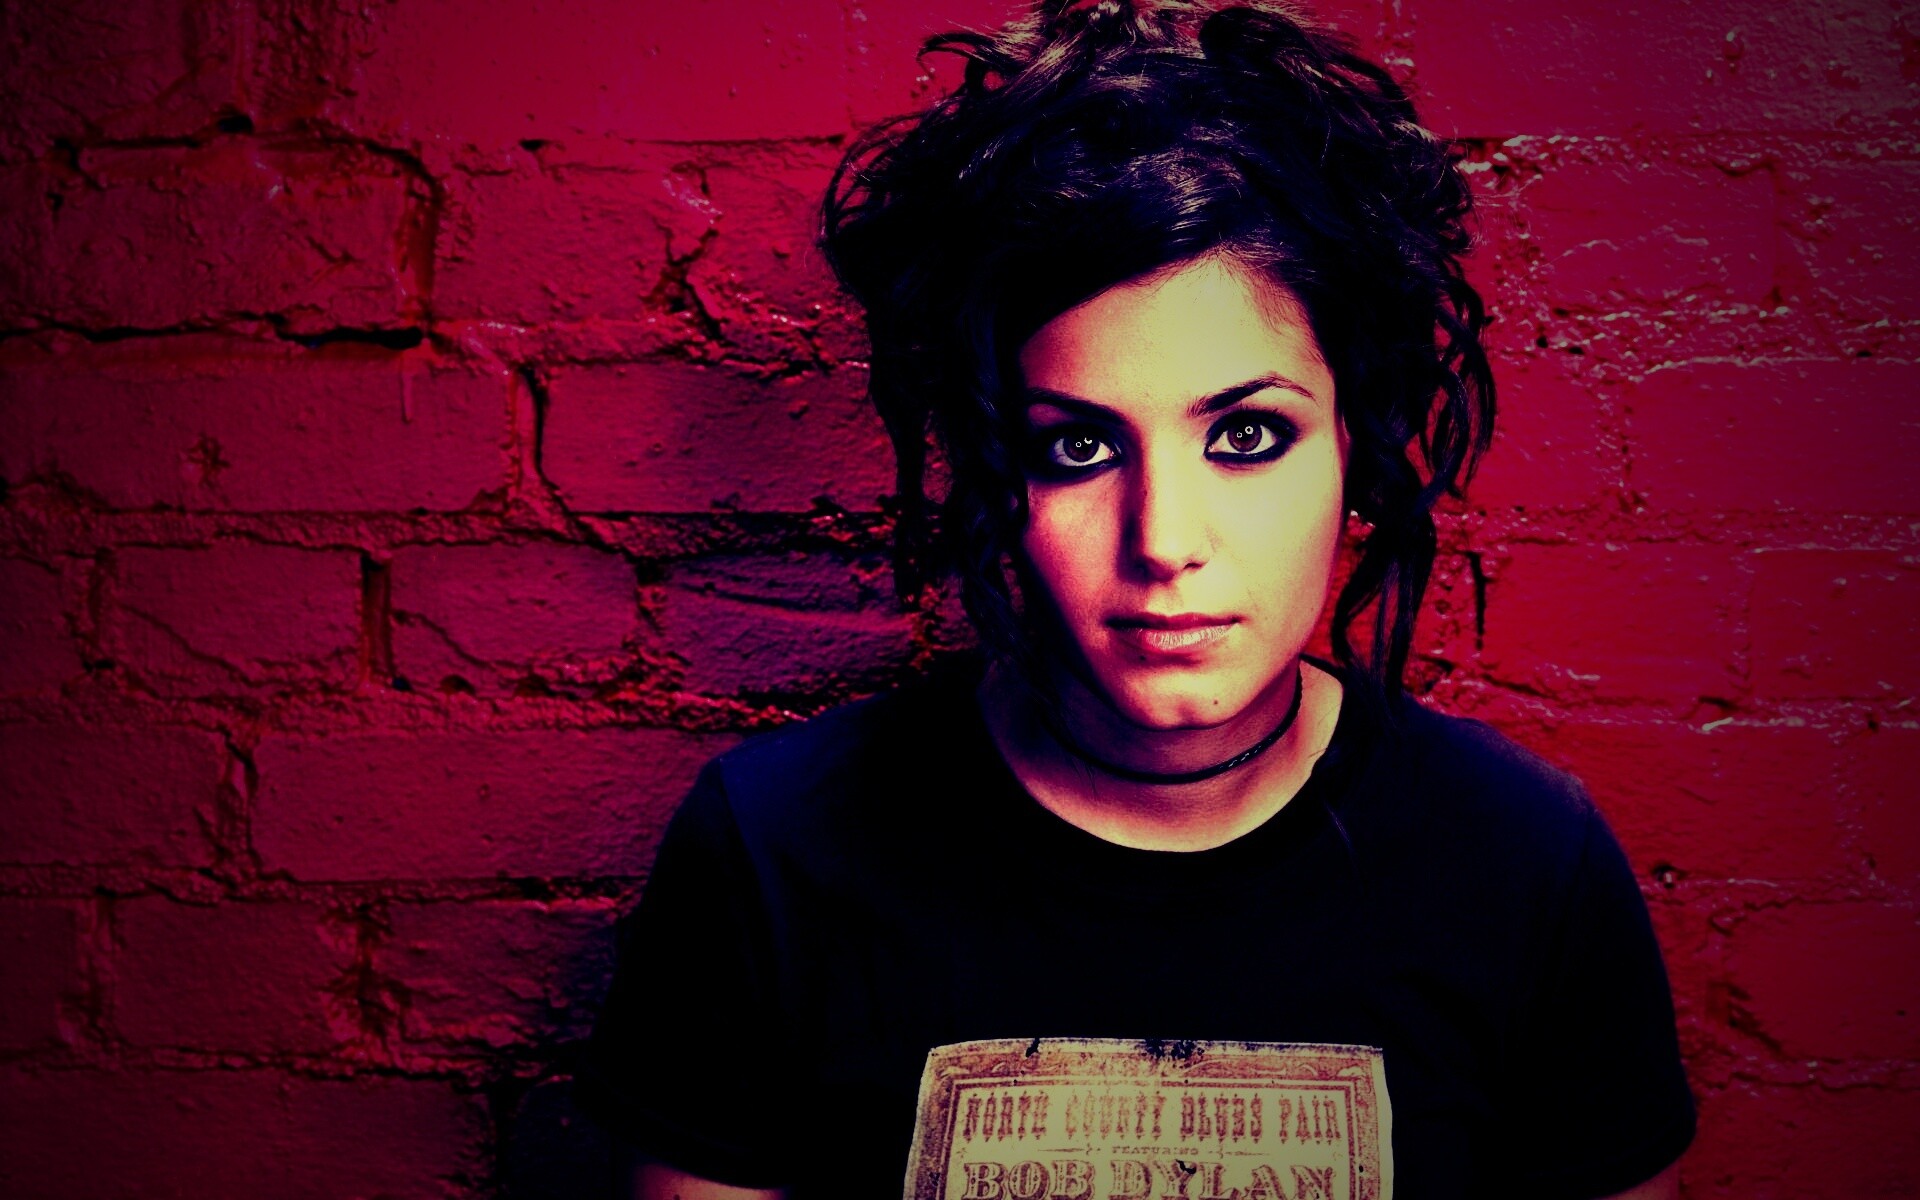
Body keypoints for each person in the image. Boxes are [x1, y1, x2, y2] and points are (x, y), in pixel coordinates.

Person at [576, 1, 1695, 1196]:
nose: (1164, 542)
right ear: (990, 469)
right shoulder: (775, 850)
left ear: (1353, 450)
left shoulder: (1523, 861)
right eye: (1078, 449)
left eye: (1247, 435)